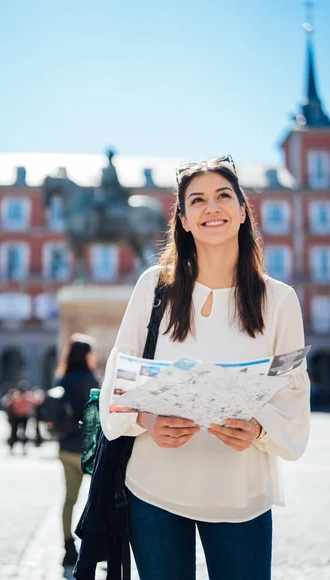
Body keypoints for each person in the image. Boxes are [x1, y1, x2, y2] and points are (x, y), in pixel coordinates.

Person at [99, 155, 311, 580]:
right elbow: (116, 384)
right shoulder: (153, 286)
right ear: (184, 220)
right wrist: (147, 418)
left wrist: (260, 428)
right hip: (153, 490)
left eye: (223, 196)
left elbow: (293, 393)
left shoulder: (280, 300)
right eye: (197, 200)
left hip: (241, 495)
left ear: (240, 213)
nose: (211, 207)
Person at [54, 333, 99, 569]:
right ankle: (95, 546)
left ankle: (68, 546)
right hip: (88, 450)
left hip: (64, 448)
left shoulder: (62, 379)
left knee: (69, 499)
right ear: (86, 355)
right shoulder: (89, 379)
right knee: (97, 500)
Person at [1, 380, 35, 454]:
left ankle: (22, 448)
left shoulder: (26, 395)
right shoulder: (17, 395)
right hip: (17, 416)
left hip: (23, 416)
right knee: (14, 433)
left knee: (21, 433)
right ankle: (12, 448)